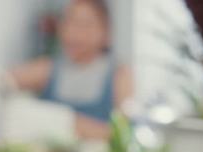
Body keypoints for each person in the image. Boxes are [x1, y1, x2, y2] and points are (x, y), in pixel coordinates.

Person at [8, 0, 133, 140]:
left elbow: (123, 135)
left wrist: (65, 121)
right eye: (69, 22)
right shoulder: (48, 68)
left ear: (106, 33)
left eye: (85, 25)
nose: (74, 32)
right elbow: (2, 80)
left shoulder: (119, 75)